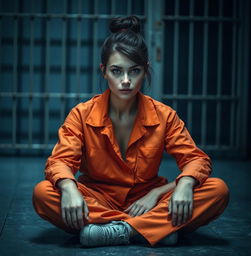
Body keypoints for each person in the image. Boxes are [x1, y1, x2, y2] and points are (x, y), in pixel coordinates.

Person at [32, 15, 229, 247]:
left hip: (148, 200)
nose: (126, 81)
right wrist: (69, 188)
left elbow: (196, 160)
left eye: (134, 71)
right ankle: (151, 229)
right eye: (117, 71)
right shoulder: (82, 114)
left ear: (145, 71)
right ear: (103, 71)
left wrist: (172, 189)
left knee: (218, 190)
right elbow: (59, 162)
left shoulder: (164, 115)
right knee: (44, 193)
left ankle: (114, 231)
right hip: (97, 199)